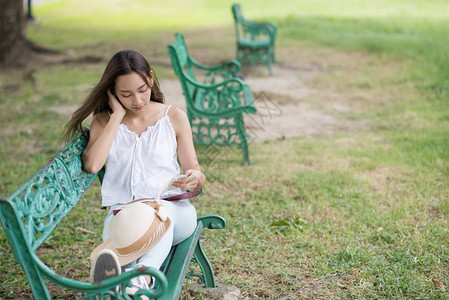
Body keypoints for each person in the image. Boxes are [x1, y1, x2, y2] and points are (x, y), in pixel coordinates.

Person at [63, 50, 205, 295]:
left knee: (158, 219)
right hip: (123, 214)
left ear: (150, 78)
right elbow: (92, 165)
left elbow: (194, 168)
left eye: (142, 89)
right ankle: (123, 278)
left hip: (172, 212)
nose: (137, 100)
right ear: (112, 93)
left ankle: (141, 278)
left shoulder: (173, 117)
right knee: (128, 237)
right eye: (125, 94)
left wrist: (196, 177)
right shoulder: (104, 120)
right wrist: (116, 116)